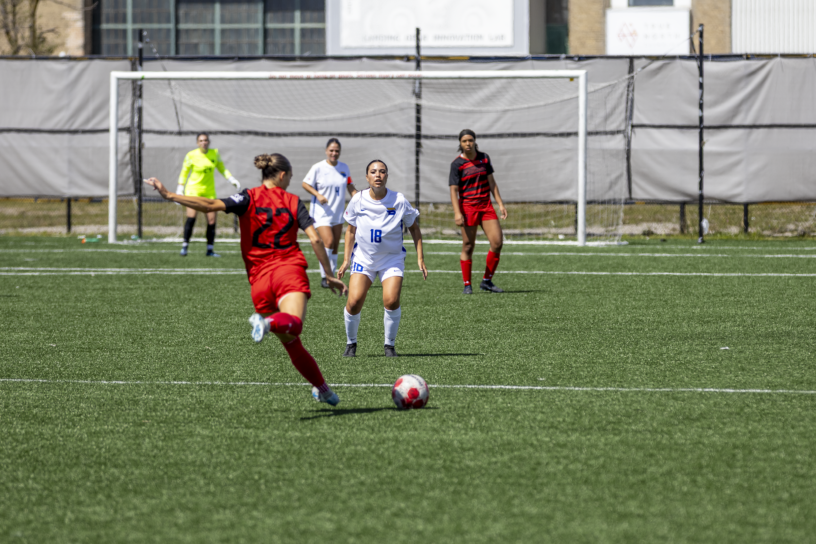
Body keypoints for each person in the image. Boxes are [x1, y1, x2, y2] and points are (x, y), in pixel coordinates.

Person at [145, 153, 347, 407]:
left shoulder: (247, 197)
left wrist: (170, 195)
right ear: (283, 175)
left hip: (259, 280)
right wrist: (328, 275)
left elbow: (209, 204)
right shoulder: (294, 202)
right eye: (291, 177)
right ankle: (267, 323)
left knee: (292, 341)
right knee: (293, 324)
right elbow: (316, 239)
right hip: (288, 270)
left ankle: (323, 389)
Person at [337, 160, 427, 358]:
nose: (378, 175)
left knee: (391, 300)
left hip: (391, 259)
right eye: (373, 172)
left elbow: (414, 228)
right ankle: (351, 344)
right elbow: (350, 231)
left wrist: (420, 257)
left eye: (382, 172)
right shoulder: (357, 200)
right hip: (364, 258)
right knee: (353, 302)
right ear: (367, 177)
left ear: (387, 176)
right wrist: (346, 260)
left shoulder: (399, 200)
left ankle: (389, 346)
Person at [449, 129, 508, 294]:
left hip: (486, 206)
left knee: (497, 242)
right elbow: (453, 191)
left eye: (470, 140)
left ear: (475, 141)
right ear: (460, 144)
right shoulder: (457, 164)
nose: (468, 143)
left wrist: (501, 204)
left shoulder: (484, 158)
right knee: (468, 246)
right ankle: (467, 284)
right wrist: (457, 212)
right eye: (464, 141)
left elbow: (492, 183)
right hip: (468, 207)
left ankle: (487, 281)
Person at [301, 138, 358, 288]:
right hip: (321, 213)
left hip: (338, 213)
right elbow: (305, 183)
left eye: (337, 151)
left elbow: (350, 186)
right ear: (326, 151)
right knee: (328, 241)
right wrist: (317, 194)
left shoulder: (344, 168)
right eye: (331, 150)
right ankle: (325, 276)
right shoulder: (318, 168)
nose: (334, 153)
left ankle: (331, 275)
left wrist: (360, 197)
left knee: (335, 246)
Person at [176, 132, 241, 257]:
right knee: (191, 217)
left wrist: (231, 179)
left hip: (209, 192)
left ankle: (210, 249)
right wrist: (180, 187)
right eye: (200, 141)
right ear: (197, 143)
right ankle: (185, 246)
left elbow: (222, 169)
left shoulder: (214, 153)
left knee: (211, 220)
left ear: (209, 142)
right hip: (193, 191)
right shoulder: (191, 155)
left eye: (205, 140)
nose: (203, 142)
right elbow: (184, 172)